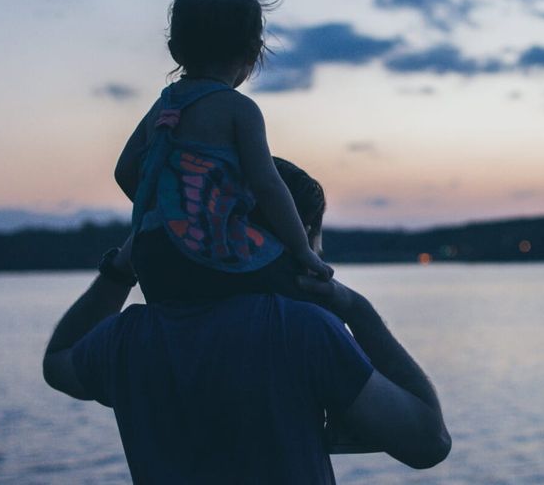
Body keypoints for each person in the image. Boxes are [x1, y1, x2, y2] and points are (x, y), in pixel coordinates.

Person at [43, 158, 452, 483]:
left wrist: (122, 267)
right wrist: (355, 309)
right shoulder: (302, 331)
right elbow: (428, 442)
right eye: (316, 252)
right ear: (295, 243)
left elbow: (58, 362)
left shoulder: (127, 339)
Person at [114, 0, 331, 308]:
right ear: (253, 51)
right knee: (306, 294)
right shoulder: (238, 109)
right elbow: (268, 185)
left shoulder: (163, 106)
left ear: (174, 50)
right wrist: (302, 250)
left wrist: (171, 210)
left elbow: (124, 172)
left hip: (151, 257)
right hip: (210, 253)